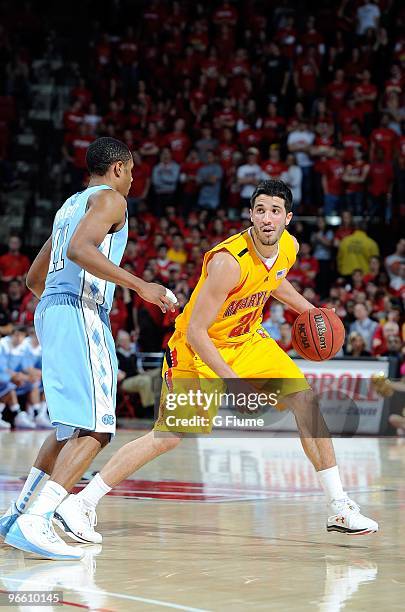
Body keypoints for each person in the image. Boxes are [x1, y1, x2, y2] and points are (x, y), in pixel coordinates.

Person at [61, 180, 377, 546]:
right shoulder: (229, 262)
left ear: (288, 218)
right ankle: (81, 503)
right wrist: (234, 383)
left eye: (275, 211)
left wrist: (310, 310)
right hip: (197, 348)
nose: (267, 219)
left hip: (246, 340)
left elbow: (273, 282)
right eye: (260, 210)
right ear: (251, 215)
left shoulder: (289, 247)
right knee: (170, 436)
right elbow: (197, 331)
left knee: (306, 402)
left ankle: (339, 506)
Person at [0, 137, 177, 560]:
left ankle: (17, 512)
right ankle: (37, 520)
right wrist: (141, 286)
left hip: (52, 309)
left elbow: (33, 279)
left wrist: (58, 303)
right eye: (132, 171)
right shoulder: (111, 199)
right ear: (117, 169)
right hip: (79, 310)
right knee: (98, 428)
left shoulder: (69, 207)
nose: (134, 180)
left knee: (67, 429)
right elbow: (81, 250)